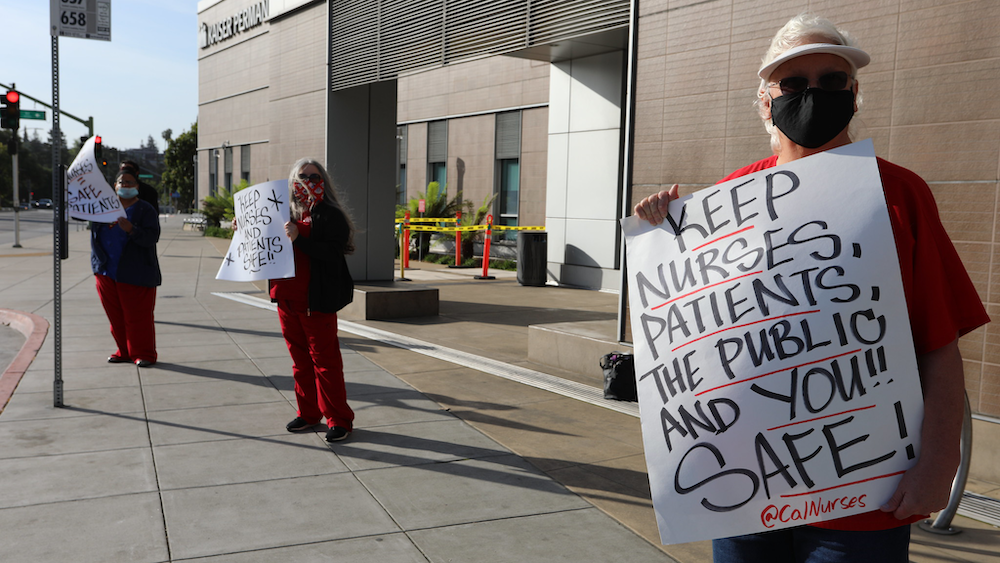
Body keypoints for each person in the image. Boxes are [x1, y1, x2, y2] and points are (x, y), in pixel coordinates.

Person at [633, 13, 989, 563]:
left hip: (866, 499)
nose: (813, 94)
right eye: (794, 84)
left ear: (854, 93)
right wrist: (660, 229)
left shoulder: (899, 194)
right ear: (765, 99)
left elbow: (939, 343)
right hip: (743, 490)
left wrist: (938, 465)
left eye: (832, 81)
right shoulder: (728, 201)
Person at [272, 158, 356, 442]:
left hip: (316, 301)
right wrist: (243, 229)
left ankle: (338, 419)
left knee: (326, 363)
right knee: (299, 362)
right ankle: (309, 413)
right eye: (302, 176)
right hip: (286, 299)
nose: (308, 182)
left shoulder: (330, 215)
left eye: (315, 177)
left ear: (324, 182)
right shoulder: (279, 212)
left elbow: (333, 254)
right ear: (292, 181)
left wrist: (299, 240)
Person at [91, 169, 162, 367]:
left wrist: (132, 230)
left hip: (135, 273)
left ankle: (144, 353)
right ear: (115, 186)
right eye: (122, 182)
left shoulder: (144, 210)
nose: (126, 186)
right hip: (106, 271)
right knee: (116, 317)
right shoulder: (103, 208)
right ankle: (123, 351)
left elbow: (151, 237)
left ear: (137, 187)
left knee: (138, 317)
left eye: (130, 183)